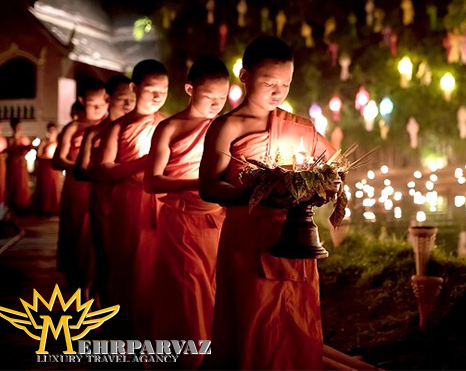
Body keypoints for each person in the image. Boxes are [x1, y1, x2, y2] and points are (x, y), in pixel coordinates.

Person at [199, 36, 336, 370]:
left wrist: (314, 191)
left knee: (295, 312)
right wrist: (259, 193)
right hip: (247, 239)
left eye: (285, 83)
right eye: (268, 82)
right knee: (252, 315)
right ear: (244, 76)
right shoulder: (228, 125)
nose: (278, 91)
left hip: (295, 238)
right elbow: (208, 186)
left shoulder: (299, 126)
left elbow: (334, 168)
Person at [144, 56, 229, 370]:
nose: (216, 105)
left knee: (216, 289)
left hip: (217, 220)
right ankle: (189, 358)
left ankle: (214, 353)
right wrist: (201, 182)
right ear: (190, 89)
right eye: (209, 97)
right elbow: (152, 182)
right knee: (188, 290)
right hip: (181, 221)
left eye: (222, 98)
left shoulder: (225, 127)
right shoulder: (170, 127)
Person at [98, 60, 168, 339]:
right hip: (129, 200)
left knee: (157, 268)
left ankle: (154, 328)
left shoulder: (166, 124)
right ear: (134, 87)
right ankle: (126, 328)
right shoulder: (118, 127)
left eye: (163, 90)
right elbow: (103, 168)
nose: (157, 96)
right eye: (151, 89)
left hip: (161, 202)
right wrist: (140, 163)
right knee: (129, 265)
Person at [74, 74, 135, 307]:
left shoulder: (140, 128)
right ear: (109, 98)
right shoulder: (95, 132)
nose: (129, 104)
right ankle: (102, 309)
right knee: (106, 258)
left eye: (132, 98)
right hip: (105, 202)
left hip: (134, 202)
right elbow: (80, 170)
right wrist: (108, 171)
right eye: (123, 99)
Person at [53, 79, 109, 298]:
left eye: (103, 103)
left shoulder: (110, 127)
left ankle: (97, 287)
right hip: (78, 188)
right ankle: (82, 287)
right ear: (82, 101)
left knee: (100, 238)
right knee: (80, 236)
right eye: (93, 104)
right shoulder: (74, 128)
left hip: (102, 186)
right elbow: (58, 160)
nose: (98, 109)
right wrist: (81, 167)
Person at [32, 123, 62, 216]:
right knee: (45, 186)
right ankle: (44, 208)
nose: (51, 132)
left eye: (53, 130)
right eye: (50, 130)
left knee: (54, 186)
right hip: (45, 167)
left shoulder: (58, 143)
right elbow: (38, 155)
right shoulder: (44, 142)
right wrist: (45, 157)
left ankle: (53, 208)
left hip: (53, 167)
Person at [5, 118, 32, 214]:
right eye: (16, 126)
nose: (18, 128)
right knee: (12, 182)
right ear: (12, 127)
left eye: (19, 126)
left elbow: (28, 149)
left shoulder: (24, 139)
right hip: (11, 163)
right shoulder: (9, 139)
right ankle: (12, 203)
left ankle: (22, 204)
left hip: (21, 163)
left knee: (22, 182)